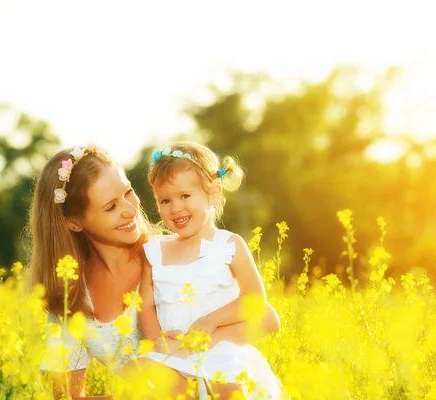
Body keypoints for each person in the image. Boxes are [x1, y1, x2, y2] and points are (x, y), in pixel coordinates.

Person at [27, 143, 281, 398]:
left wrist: (189, 348)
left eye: (128, 192)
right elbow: (66, 397)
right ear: (74, 222)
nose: (130, 209)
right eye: (111, 207)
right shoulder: (70, 297)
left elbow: (266, 316)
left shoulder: (167, 255)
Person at [139, 142, 285, 399]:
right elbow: (147, 305)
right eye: (165, 200)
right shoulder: (154, 252)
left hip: (221, 351)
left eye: (185, 196)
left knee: (226, 385)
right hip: (173, 351)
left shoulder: (229, 245)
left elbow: (255, 301)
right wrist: (158, 342)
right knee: (139, 372)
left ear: (213, 194)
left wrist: (211, 321)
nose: (175, 208)